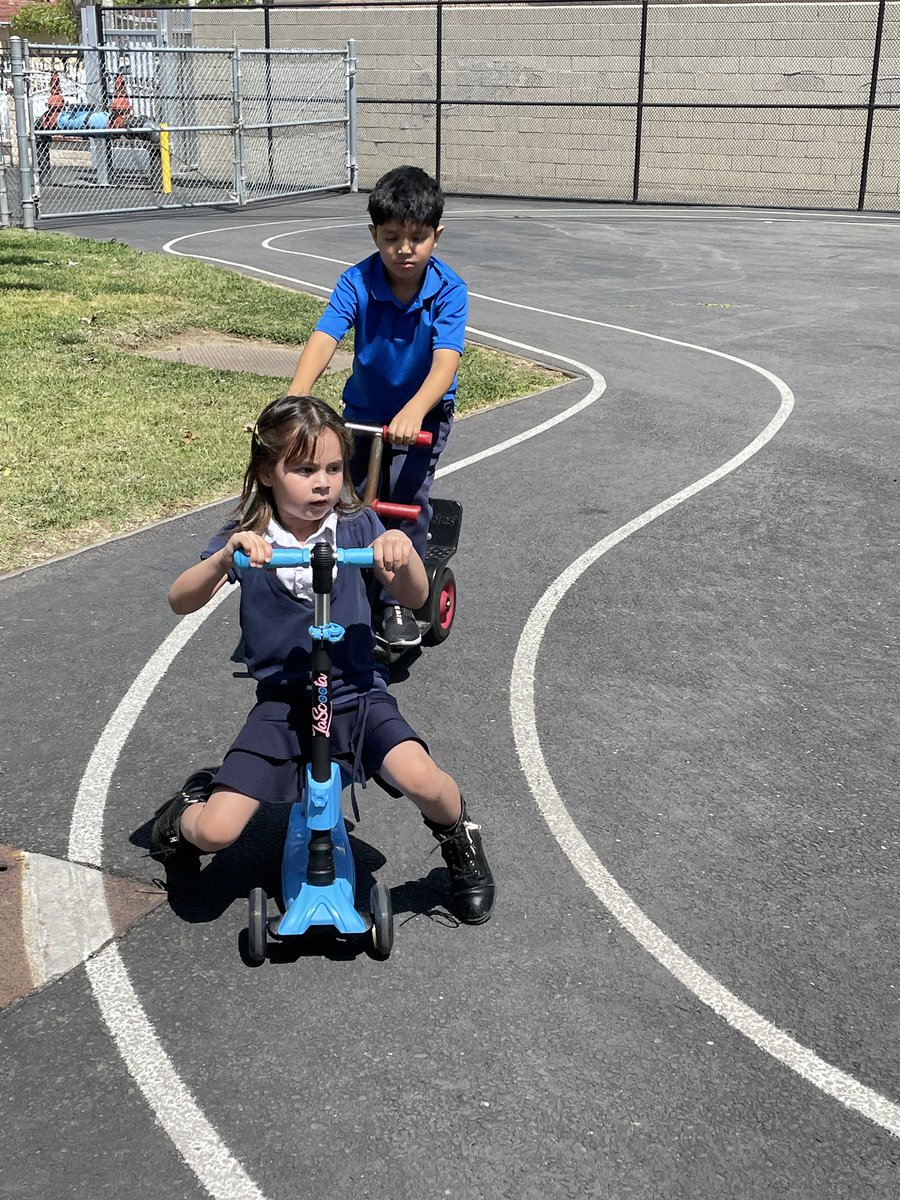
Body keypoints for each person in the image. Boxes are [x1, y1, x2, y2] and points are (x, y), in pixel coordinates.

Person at [150, 394, 494, 926]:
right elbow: (180, 599)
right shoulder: (249, 537)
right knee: (217, 830)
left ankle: (459, 840)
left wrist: (399, 554)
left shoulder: (356, 527)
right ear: (267, 471)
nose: (322, 483)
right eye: (305, 469)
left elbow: (417, 592)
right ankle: (181, 816)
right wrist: (224, 558)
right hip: (285, 702)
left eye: (334, 468)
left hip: (357, 691)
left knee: (424, 780)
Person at [290, 164, 467, 650]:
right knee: (349, 496)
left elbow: (445, 362)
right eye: (391, 238)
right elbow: (326, 335)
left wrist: (414, 410)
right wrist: (297, 393)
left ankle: (399, 602)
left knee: (405, 500)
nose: (404, 250)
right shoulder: (357, 281)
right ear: (374, 234)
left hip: (422, 416)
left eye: (417, 238)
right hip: (363, 411)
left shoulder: (449, 291)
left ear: (437, 235)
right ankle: (343, 579)